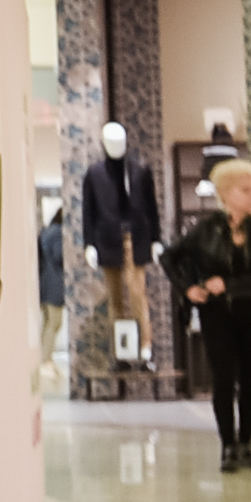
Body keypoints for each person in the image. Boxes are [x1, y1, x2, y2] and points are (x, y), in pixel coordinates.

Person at [164, 159, 251, 470]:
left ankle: (247, 443)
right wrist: (188, 288)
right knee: (223, 379)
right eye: (245, 190)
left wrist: (229, 285)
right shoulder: (205, 231)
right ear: (226, 194)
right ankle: (228, 445)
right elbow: (169, 258)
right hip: (216, 315)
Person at [78, 120, 162, 359]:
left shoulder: (140, 171)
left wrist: (155, 239)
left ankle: (145, 348)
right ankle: (122, 351)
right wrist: (89, 244)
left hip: (136, 238)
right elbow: (89, 211)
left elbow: (151, 207)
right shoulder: (94, 174)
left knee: (138, 294)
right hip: (107, 239)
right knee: (115, 299)